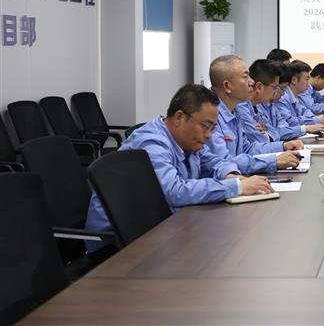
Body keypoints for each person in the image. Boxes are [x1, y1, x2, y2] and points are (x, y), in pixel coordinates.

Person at [84, 85, 272, 252]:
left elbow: (213, 161)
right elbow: (174, 191)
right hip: (117, 243)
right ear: (179, 117)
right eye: (205, 126)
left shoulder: (188, 140)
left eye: (213, 128)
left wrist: (232, 176)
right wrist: (236, 187)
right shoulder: (152, 143)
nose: (208, 135)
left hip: (159, 226)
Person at [207, 55, 300, 173]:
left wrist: (282, 146)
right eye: (245, 77)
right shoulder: (210, 116)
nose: (252, 82)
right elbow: (224, 163)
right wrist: (273, 161)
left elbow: (247, 149)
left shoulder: (235, 110)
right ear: (227, 86)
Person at [237, 59, 304, 152]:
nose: (250, 83)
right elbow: (261, 140)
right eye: (275, 87)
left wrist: (268, 134)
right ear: (259, 87)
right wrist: (269, 136)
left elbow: (275, 133)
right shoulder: (241, 108)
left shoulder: (256, 107)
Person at [275, 60, 324, 128]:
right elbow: (290, 122)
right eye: (307, 79)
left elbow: (305, 111)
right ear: (294, 80)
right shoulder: (282, 97)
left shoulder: (295, 96)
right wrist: (316, 120)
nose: (308, 84)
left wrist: (317, 118)